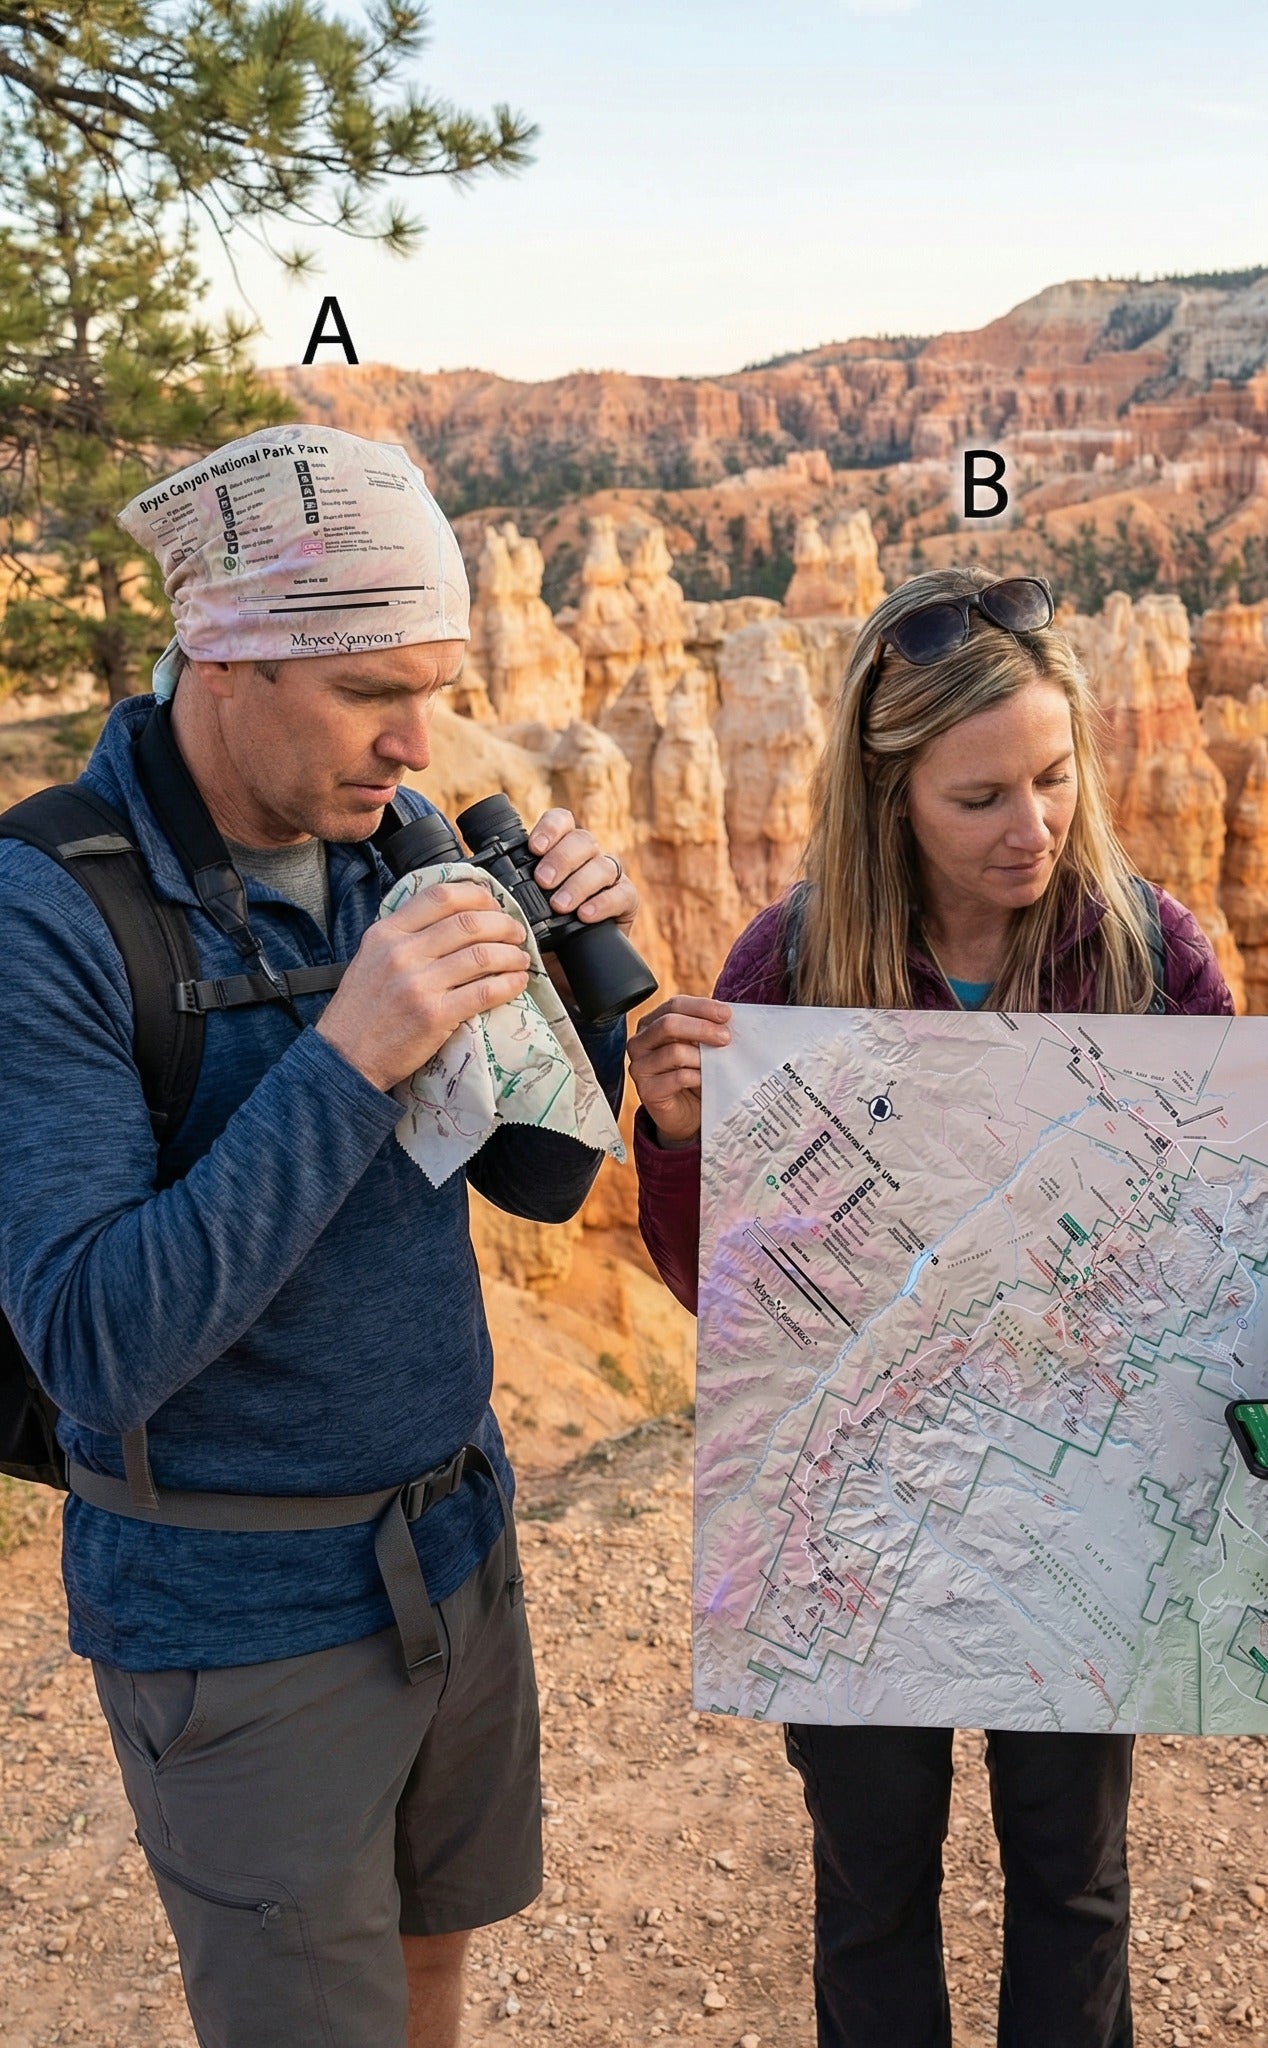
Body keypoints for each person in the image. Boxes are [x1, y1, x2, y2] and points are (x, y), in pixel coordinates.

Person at [0, 426, 639, 2048]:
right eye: (371, 692)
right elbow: (90, 1342)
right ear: (223, 656)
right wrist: (349, 1054)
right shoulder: (48, 910)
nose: (415, 743)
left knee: (434, 1976)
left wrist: (571, 994)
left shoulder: (392, 849)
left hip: (455, 1548)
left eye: (433, 686)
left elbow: (543, 1184)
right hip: (237, 1619)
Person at [629, 567, 1268, 2048]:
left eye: (1054, 778)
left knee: (1075, 1877)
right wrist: (672, 1139)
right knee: (871, 1886)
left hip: (1074, 1506)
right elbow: (713, 1285)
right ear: (891, 794)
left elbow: (1227, 1237)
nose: (1033, 827)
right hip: (856, 1511)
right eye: (980, 797)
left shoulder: (1151, 956)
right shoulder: (788, 969)